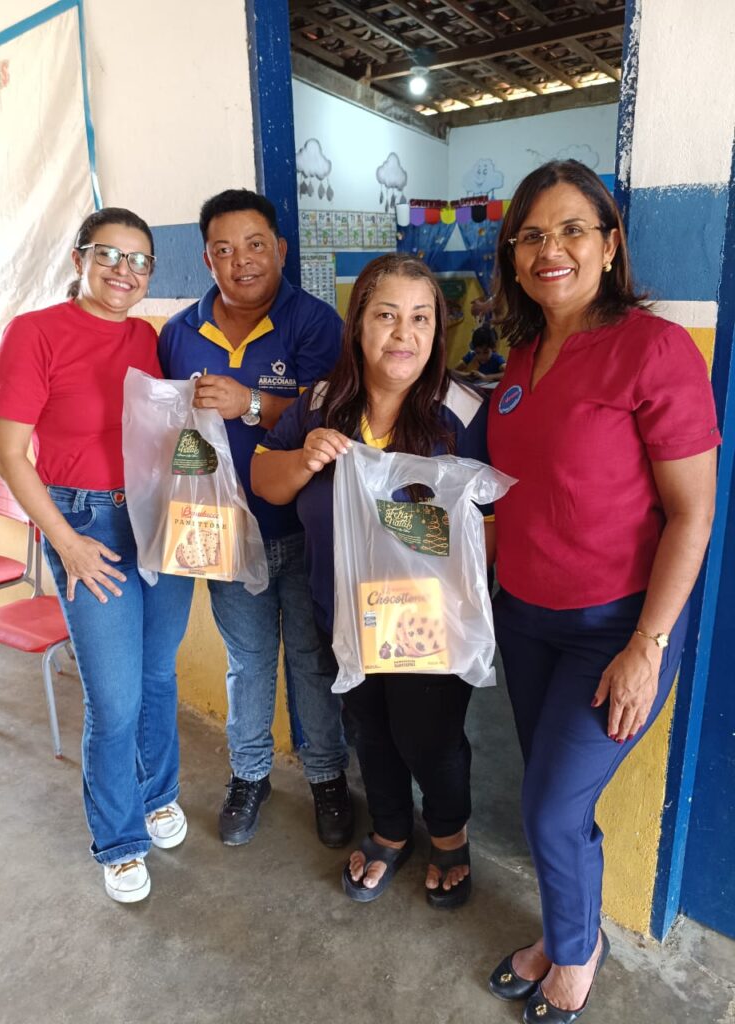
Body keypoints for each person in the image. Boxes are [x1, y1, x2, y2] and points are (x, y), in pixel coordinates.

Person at [485, 160, 719, 1022]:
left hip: (615, 627)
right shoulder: (519, 359)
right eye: (531, 235)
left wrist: (646, 648)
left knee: (551, 809)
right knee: (554, 802)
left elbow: (693, 514)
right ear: (513, 258)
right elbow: (511, 496)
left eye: (572, 229)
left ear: (611, 244)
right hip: (524, 620)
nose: (550, 249)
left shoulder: (654, 349)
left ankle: (575, 957)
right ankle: (567, 930)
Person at [251, 253, 494, 908]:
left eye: (421, 318)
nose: (403, 334)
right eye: (386, 316)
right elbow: (265, 482)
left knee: (429, 737)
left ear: (438, 330)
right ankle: (391, 829)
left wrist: (421, 546)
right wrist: (304, 458)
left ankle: (448, 833)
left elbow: (490, 530)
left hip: (428, 626)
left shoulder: (460, 414)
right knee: (369, 729)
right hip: (342, 613)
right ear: (358, 324)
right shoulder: (322, 404)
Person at [0, 208, 195, 904]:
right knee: (115, 697)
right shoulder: (34, 333)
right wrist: (67, 543)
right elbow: (9, 455)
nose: (123, 271)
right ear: (79, 259)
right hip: (86, 524)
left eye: (139, 260)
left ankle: (158, 793)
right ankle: (119, 839)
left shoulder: (147, 337)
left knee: (158, 674)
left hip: (155, 516)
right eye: (108, 254)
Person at [158, 189, 352, 849]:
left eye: (255, 245)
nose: (241, 260)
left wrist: (249, 403)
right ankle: (249, 775)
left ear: (280, 250)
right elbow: (168, 428)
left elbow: (330, 415)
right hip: (224, 536)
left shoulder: (316, 324)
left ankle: (327, 777)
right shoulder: (178, 334)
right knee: (246, 661)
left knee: (313, 658)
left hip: (303, 528)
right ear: (206, 259)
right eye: (224, 249)